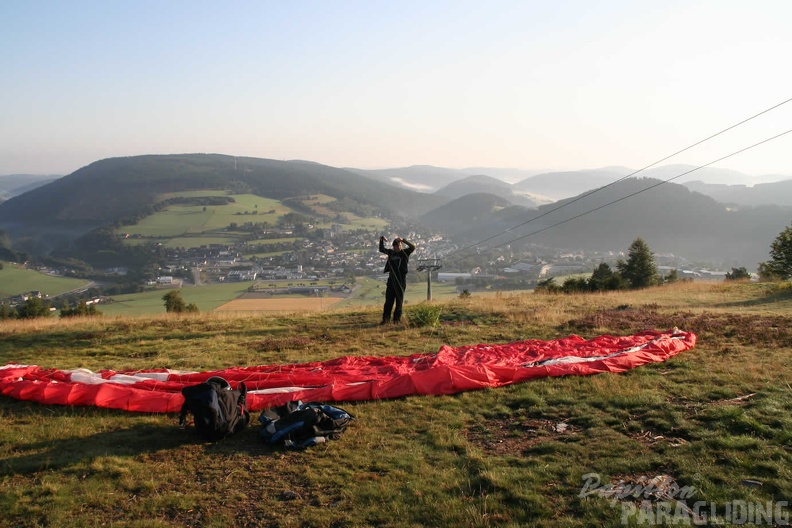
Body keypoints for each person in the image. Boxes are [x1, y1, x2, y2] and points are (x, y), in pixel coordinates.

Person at [379, 235, 416, 324]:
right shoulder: (391, 253)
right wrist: (381, 240)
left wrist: (403, 240)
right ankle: (386, 320)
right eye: (397, 246)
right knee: (389, 301)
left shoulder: (405, 252)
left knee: (399, 301)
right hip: (391, 281)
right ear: (394, 246)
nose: (399, 247)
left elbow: (413, 247)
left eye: (400, 245)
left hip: (401, 280)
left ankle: (397, 320)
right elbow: (381, 249)